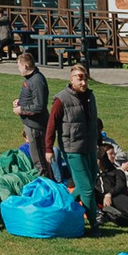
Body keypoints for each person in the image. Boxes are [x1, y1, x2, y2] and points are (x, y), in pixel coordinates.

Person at [43, 65, 105, 231]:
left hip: (89, 147)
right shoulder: (61, 100)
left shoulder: (90, 96)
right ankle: (94, 225)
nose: (83, 82)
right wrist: (48, 148)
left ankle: (65, 207)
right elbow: (51, 125)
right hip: (72, 149)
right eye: (80, 79)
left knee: (89, 183)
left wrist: (99, 143)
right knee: (87, 190)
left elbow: (94, 122)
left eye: (85, 79)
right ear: (71, 79)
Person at [11, 53, 51, 176]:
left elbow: (39, 106)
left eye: (19, 66)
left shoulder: (37, 81)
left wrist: (21, 109)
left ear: (26, 66)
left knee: (40, 161)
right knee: (38, 160)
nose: (18, 69)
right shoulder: (30, 79)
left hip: (36, 127)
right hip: (31, 125)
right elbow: (32, 98)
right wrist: (20, 101)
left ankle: (46, 183)